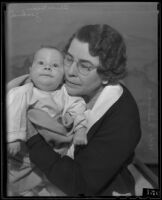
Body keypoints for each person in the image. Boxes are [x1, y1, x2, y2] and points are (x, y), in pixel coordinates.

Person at [8, 24, 141, 196]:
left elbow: (80, 185)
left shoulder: (123, 120)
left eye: (85, 66)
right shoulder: (64, 81)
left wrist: (31, 136)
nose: (70, 72)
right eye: (69, 59)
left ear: (107, 75)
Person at [7, 46, 88, 196]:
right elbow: (13, 112)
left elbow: (78, 108)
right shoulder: (23, 92)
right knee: (16, 174)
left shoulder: (64, 93)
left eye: (55, 65)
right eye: (41, 63)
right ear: (30, 70)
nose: (47, 67)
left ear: (63, 75)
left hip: (54, 148)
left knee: (59, 178)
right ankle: (26, 190)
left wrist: (80, 129)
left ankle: (48, 185)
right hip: (26, 150)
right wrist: (13, 138)